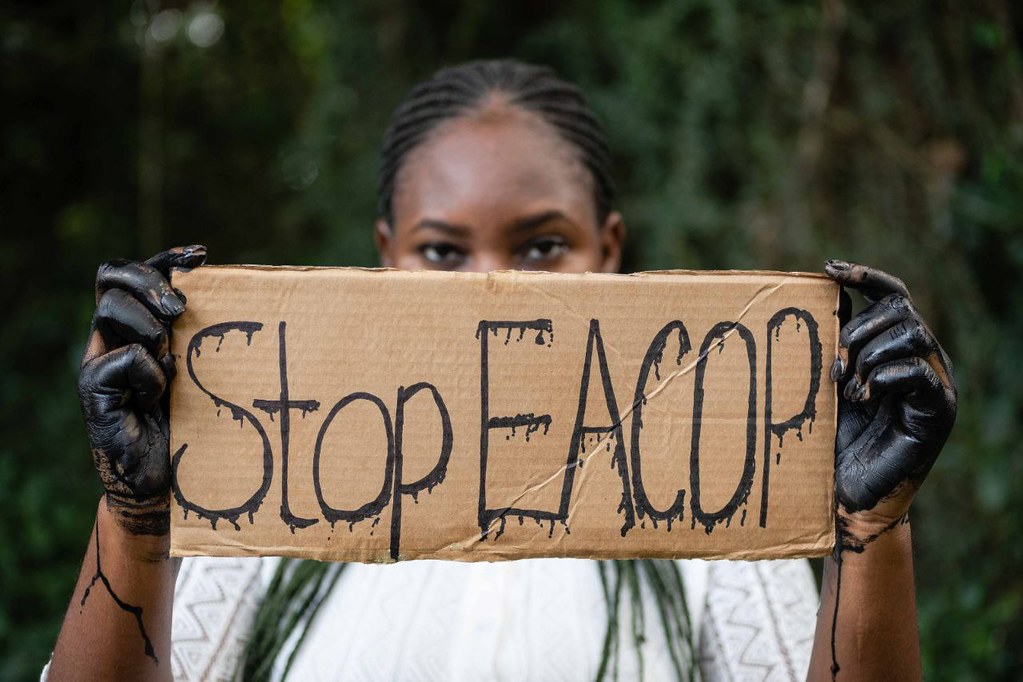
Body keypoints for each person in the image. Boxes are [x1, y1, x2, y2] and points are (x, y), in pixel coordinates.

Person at [46, 60, 956, 681]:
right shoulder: (260, 503)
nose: (491, 288)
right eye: (443, 252)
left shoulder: (708, 521)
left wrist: (872, 530)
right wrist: (135, 517)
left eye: (541, 246)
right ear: (385, 258)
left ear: (608, 252)